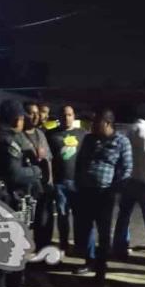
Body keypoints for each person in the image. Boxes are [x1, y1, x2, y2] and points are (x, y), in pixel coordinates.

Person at [0, 100, 43, 287]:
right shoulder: (5, 139)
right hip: (4, 204)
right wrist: (36, 171)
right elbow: (14, 175)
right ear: (16, 118)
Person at [75, 108, 133, 287]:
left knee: (104, 234)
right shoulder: (89, 139)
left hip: (105, 194)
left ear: (107, 123)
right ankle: (88, 261)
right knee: (85, 230)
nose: (92, 126)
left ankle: (101, 271)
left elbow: (127, 169)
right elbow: (80, 162)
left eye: (96, 122)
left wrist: (115, 189)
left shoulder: (121, 141)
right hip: (86, 192)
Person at [112, 105, 145, 258]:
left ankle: (120, 245)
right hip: (144, 181)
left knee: (124, 215)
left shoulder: (130, 129)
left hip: (128, 179)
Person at [47, 104, 87, 252]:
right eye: (63, 115)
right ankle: (64, 244)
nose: (66, 118)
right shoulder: (50, 134)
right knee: (62, 215)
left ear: (74, 116)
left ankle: (79, 244)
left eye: (69, 115)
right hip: (59, 183)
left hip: (78, 183)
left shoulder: (82, 134)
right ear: (58, 117)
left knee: (79, 216)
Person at [19, 102, 55, 250]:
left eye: (36, 113)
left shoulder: (41, 134)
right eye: (31, 113)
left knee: (45, 221)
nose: (35, 116)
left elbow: (49, 159)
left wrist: (51, 181)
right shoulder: (18, 136)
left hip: (44, 187)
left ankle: (44, 251)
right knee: (25, 224)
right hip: (27, 188)